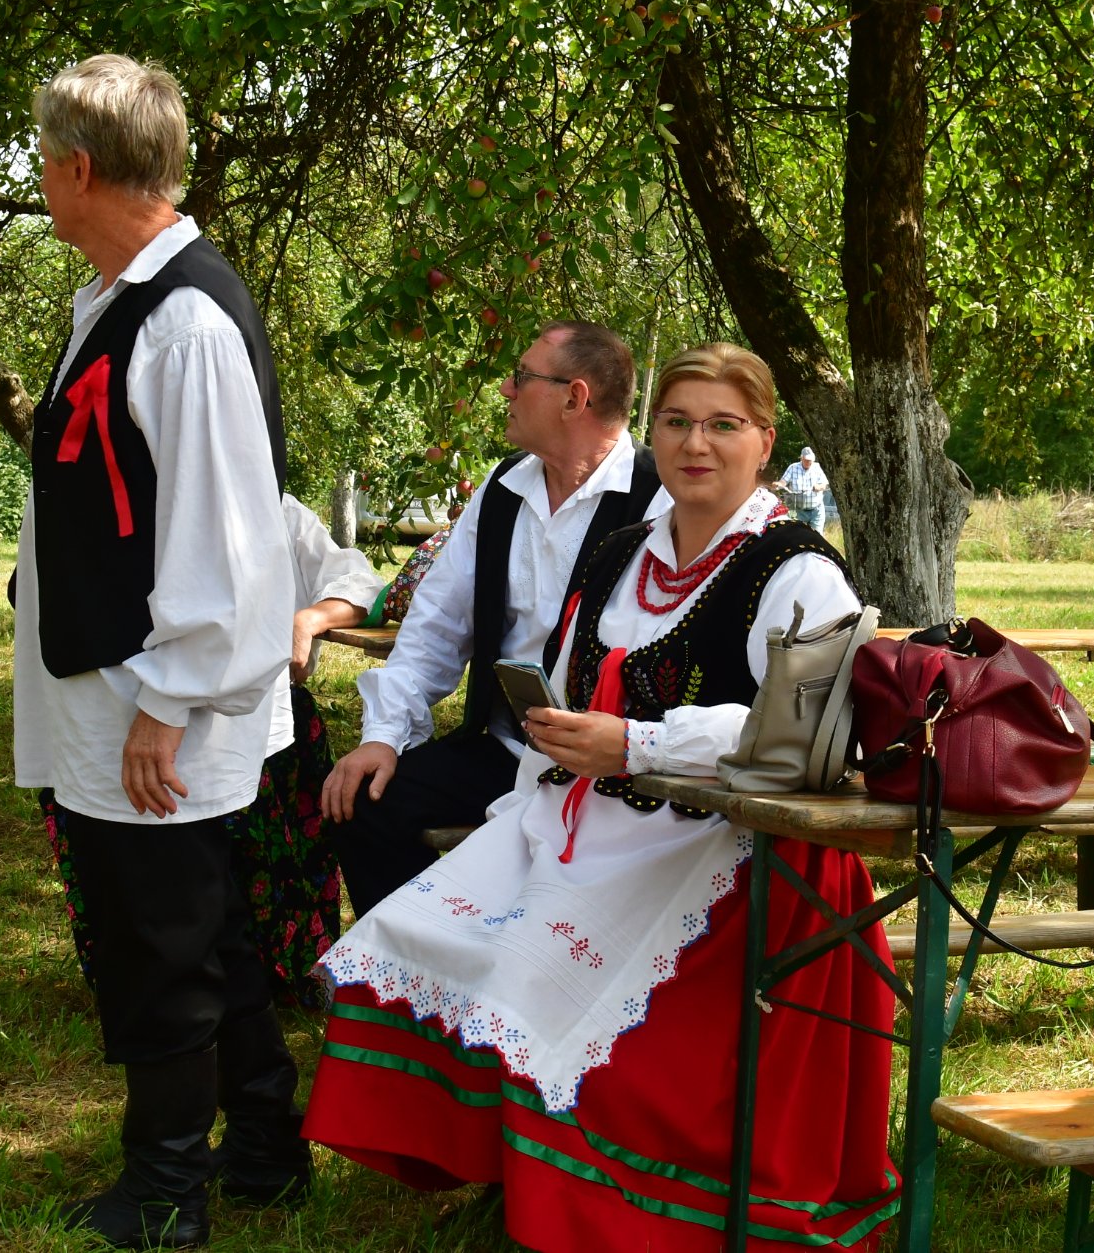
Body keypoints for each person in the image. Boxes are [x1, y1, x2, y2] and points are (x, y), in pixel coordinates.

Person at [302, 344, 899, 1253]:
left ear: (764, 441)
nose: (696, 443)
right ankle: (510, 1171)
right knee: (413, 933)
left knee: (527, 974)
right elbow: (565, 686)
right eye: (677, 422)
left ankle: (593, 1200)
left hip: (721, 849)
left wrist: (639, 743)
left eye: (723, 425)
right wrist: (534, 787)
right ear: (652, 431)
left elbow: (808, 733)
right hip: (584, 821)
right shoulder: (622, 555)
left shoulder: (797, 570)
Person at [9, 54, 301, 1248]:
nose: (39, 179)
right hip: (128, 682)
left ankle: (167, 1190)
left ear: (79, 168)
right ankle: (267, 1150)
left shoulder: (181, 321)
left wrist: (168, 701)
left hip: (157, 695)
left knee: (160, 942)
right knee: (205, 928)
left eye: (43, 159)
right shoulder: (121, 299)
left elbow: (228, 541)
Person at [321, 321, 670, 917]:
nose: (506, 389)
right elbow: (435, 624)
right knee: (365, 802)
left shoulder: (659, 498)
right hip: (507, 752)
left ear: (574, 398)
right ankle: (421, 958)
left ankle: (500, 955)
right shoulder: (504, 485)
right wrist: (382, 737)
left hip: (608, 768)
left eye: (522, 376)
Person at [39, 491, 383, 1005]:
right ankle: (154, 975)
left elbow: (360, 584)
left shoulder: (275, 506)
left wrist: (306, 620)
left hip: (257, 725)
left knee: (244, 859)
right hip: (125, 715)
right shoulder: (110, 500)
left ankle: (262, 978)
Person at [777, 444, 830, 531]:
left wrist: (819, 487)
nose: (809, 462)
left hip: (816, 511)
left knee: (816, 536)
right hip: (798, 511)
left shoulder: (817, 467)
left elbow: (824, 484)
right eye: (806, 460)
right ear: (801, 458)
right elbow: (783, 481)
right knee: (798, 535)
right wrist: (779, 484)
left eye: (810, 460)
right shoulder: (793, 467)